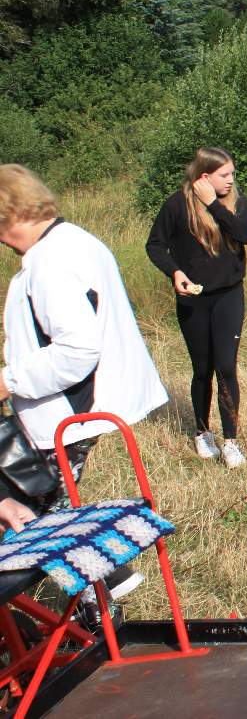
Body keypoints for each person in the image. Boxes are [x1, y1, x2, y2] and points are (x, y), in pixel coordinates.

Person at [0, 164, 166, 602]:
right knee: (43, 507)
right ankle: (100, 592)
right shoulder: (71, 242)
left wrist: (9, 380)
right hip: (78, 409)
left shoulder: (50, 261)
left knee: (27, 512)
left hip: (67, 413)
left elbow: (76, 350)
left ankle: (100, 589)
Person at [145, 147, 247, 468]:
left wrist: (213, 204)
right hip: (193, 300)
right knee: (202, 370)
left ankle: (231, 440)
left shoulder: (236, 203)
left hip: (229, 296)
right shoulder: (177, 205)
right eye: (224, 175)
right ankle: (203, 432)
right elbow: (155, 245)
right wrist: (175, 271)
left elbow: (244, 234)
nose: (231, 181)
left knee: (226, 367)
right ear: (204, 177)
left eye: (232, 173)